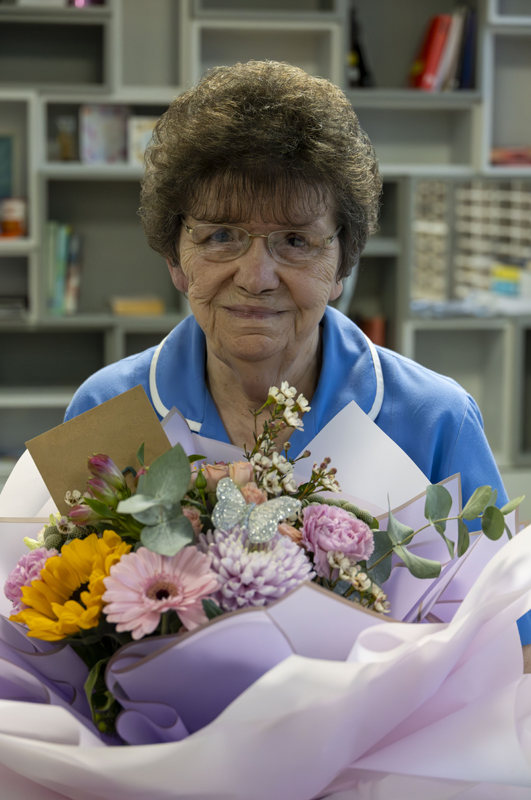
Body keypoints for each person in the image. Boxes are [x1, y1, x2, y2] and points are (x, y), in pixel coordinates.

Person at [64, 60, 531, 646]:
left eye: (296, 240)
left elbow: (512, 643)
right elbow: (61, 627)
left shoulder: (435, 419)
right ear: (175, 259)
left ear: (341, 265)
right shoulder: (106, 408)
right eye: (220, 235)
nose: (257, 276)